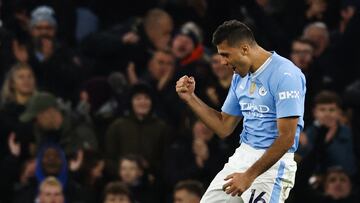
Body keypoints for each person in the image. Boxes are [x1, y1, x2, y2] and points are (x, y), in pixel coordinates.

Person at [176, 20, 306, 202]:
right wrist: (191, 98)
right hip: (242, 156)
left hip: (273, 165)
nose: (223, 62)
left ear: (244, 49)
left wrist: (249, 176)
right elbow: (224, 126)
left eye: (226, 55)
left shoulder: (286, 75)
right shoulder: (240, 77)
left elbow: (286, 138)